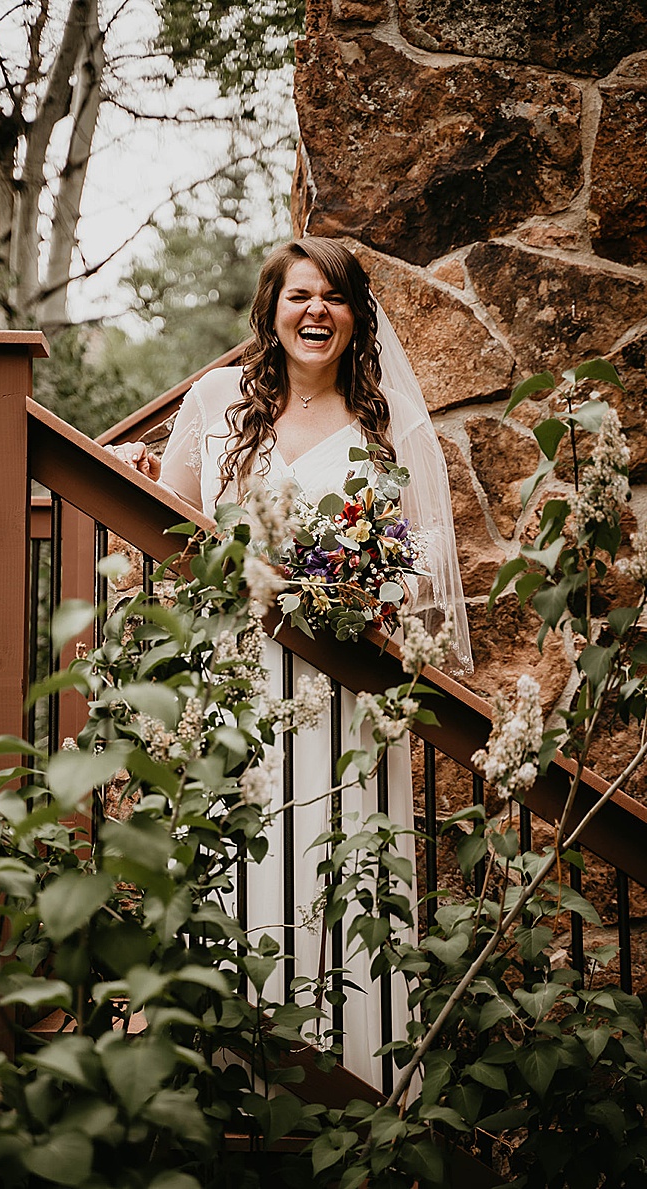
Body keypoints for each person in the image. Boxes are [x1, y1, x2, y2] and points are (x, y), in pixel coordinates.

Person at [111, 237, 471, 1094]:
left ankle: (356, 1077)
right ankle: (229, 1071)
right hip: (234, 681)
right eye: (299, 296)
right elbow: (170, 534)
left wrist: (354, 579)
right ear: (270, 313)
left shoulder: (384, 427)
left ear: (357, 317)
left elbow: (423, 559)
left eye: (335, 298)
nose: (317, 311)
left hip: (344, 695)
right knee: (240, 856)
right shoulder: (214, 400)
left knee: (337, 857)